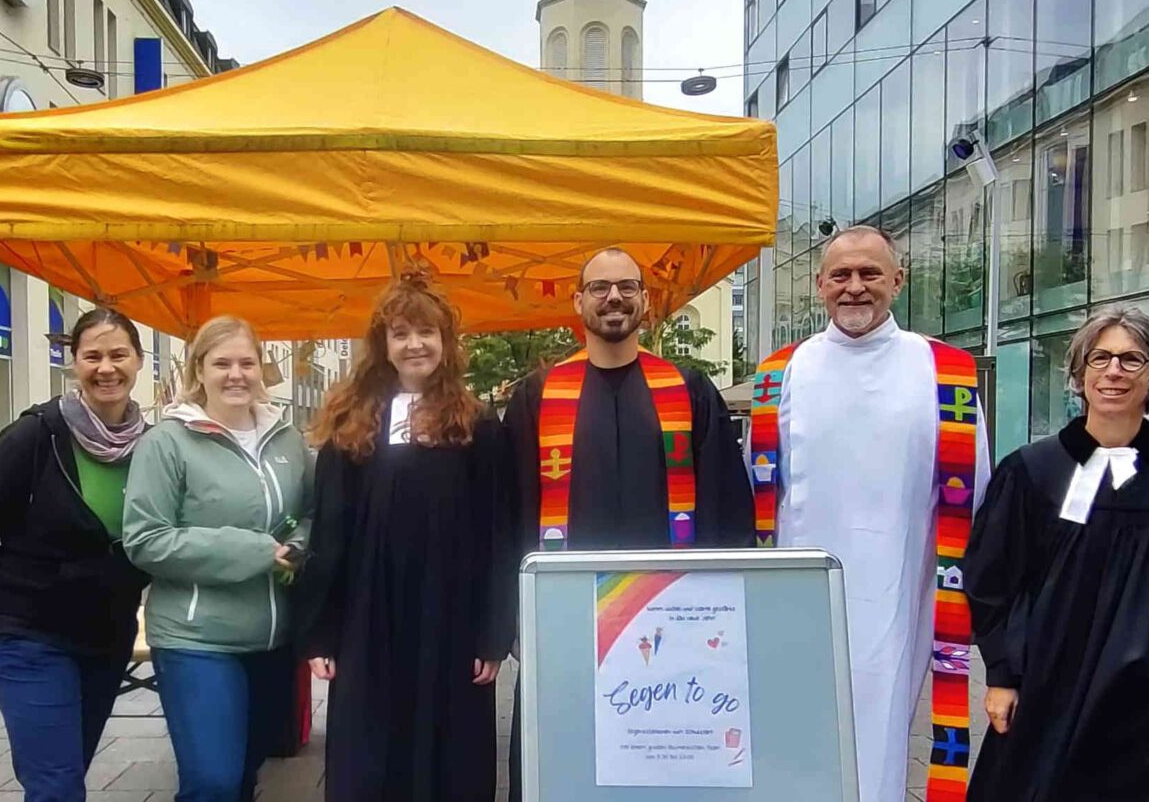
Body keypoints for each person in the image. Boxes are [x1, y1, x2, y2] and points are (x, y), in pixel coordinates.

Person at [964, 307, 1149, 801]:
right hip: (1046, 685)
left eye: (1132, 359)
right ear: (1079, 375)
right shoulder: (1031, 471)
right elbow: (993, 578)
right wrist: (1001, 674)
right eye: (1099, 358)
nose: (1114, 371)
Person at [748, 225, 991, 802]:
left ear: (897, 281)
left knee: (880, 735)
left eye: (870, 274)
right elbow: (758, 489)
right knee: (797, 735)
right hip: (799, 595)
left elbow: (975, 493)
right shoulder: (778, 374)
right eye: (841, 275)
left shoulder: (945, 373)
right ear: (819, 286)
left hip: (898, 589)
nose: (854, 288)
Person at [504, 247, 755, 800]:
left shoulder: (688, 392)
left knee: (664, 763)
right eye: (599, 287)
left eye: (626, 286)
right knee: (559, 761)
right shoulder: (538, 397)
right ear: (578, 301)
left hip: (672, 618)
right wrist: (513, 616)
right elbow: (507, 512)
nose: (613, 297)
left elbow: (728, 508)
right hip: (565, 619)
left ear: (644, 300)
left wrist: (726, 608)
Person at [295, 274, 516, 801]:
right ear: (383, 345)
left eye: (426, 331)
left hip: (451, 620)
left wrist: (493, 632)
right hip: (370, 619)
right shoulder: (353, 424)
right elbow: (330, 531)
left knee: (450, 758)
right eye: (400, 333)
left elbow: (499, 534)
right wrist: (321, 630)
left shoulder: (479, 426)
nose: (414, 344)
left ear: (446, 341)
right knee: (371, 757)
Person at [0, 308, 150, 802]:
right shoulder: (35, 435)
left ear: (139, 361)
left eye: (118, 354)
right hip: (28, 633)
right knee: (57, 786)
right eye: (93, 356)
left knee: (65, 774)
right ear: (74, 363)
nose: (107, 367)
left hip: (107, 638)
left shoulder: (152, 446)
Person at [124, 315, 314, 802]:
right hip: (197, 639)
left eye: (247, 363)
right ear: (199, 370)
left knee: (246, 776)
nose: (236, 374)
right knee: (213, 782)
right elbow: (146, 539)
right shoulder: (167, 443)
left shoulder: (287, 441)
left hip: (273, 640)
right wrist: (255, 550)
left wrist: (301, 545)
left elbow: (314, 512)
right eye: (222, 363)